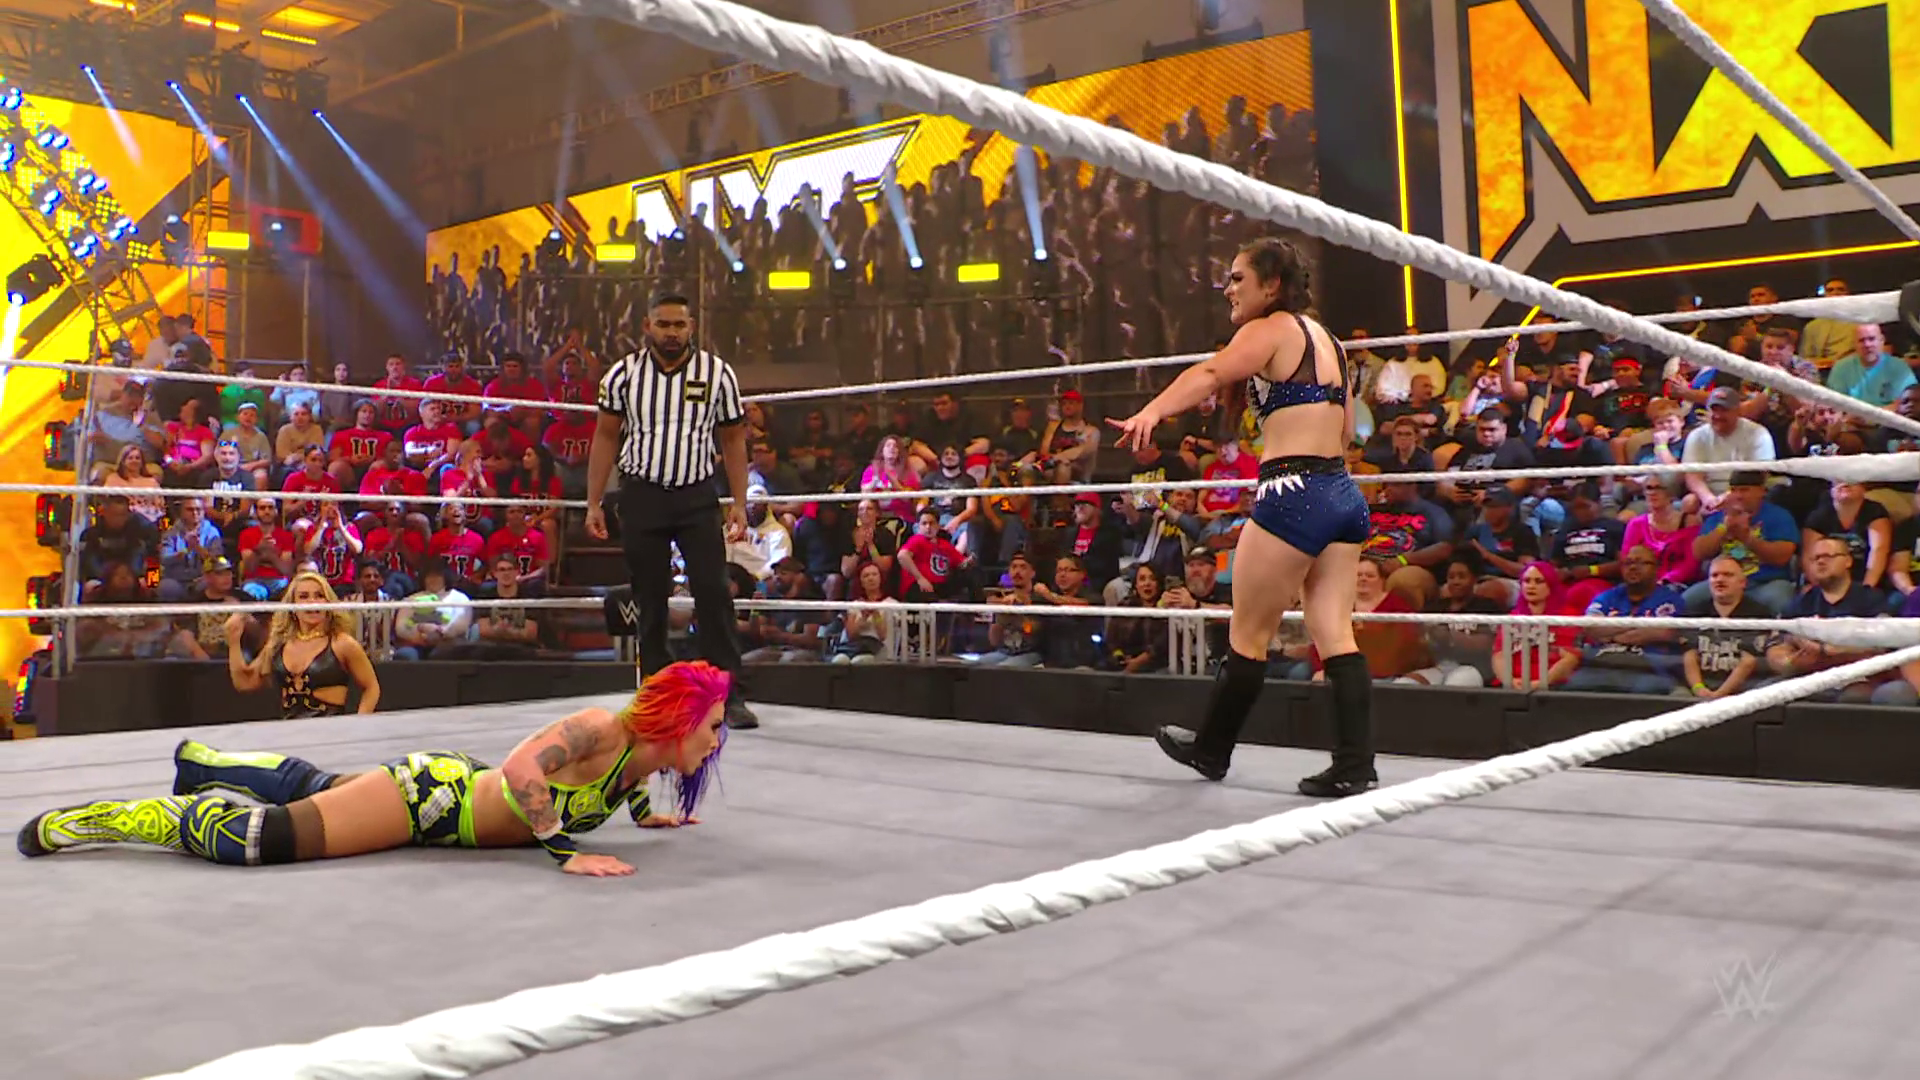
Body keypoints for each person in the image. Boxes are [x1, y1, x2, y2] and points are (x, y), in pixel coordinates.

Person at [17, 662, 728, 876]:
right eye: (714, 724)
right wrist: (566, 851)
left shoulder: (636, 760)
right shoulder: (601, 726)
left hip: (447, 805)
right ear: (679, 718)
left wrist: (647, 816)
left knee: (326, 793)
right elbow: (520, 770)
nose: (718, 739)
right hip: (431, 800)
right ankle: (125, 818)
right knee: (268, 840)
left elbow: (624, 781)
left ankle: (209, 763)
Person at [1111, 237, 1375, 797]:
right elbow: (1347, 432)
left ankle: (1212, 749)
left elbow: (1211, 372)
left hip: (1293, 491)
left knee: (1248, 635)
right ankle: (1356, 764)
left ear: (1271, 285)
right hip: (1341, 493)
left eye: (1237, 278)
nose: (1228, 289)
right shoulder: (1327, 340)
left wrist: (1152, 411)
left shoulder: (1271, 328)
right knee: (1335, 633)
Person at [586, 293, 759, 729]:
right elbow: (605, 436)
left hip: (696, 495)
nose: (671, 333)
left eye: (679, 325)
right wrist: (593, 502)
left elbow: (733, 440)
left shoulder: (717, 373)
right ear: (648, 326)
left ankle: (728, 694)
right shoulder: (623, 374)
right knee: (649, 596)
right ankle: (657, 695)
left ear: (692, 326)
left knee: (713, 591)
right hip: (641, 494)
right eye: (663, 324)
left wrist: (739, 503)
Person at [222, 571, 381, 718]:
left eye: (319, 596)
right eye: (304, 596)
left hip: (331, 731)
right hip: (290, 731)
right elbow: (245, 682)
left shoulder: (342, 644)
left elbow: (372, 687)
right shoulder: (278, 644)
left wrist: (358, 724)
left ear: (328, 603)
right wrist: (234, 642)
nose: (312, 602)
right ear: (292, 605)